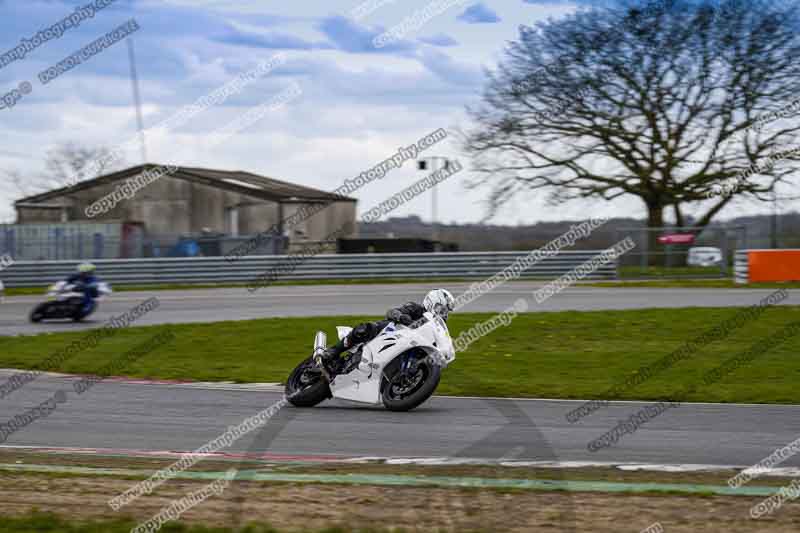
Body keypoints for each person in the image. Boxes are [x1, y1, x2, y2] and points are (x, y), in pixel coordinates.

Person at [319, 288, 456, 373]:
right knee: (365, 328)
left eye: (446, 312)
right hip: (388, 333)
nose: (443, 314)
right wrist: (402, 317)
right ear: (431, 302)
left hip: (405, 348)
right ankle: (334, 350)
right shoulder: (415, 308)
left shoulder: (436, 327)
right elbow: (392, 312)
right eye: (441, 309)